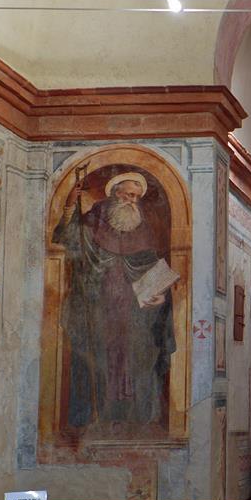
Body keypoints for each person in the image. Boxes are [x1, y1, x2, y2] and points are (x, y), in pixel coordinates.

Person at [52, 171, 175, 431]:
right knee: (98, 359)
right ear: (115, 193)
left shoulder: (142, 227)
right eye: (129, 194)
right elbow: (69, 238)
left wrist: (162, 296)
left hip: (135, 313)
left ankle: (134, 417)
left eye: (137, 197)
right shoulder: (94, 220)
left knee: (138, 358)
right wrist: (67, 208)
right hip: (100, 308)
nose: (133, 201)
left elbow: (153, 268)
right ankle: (97, 416)